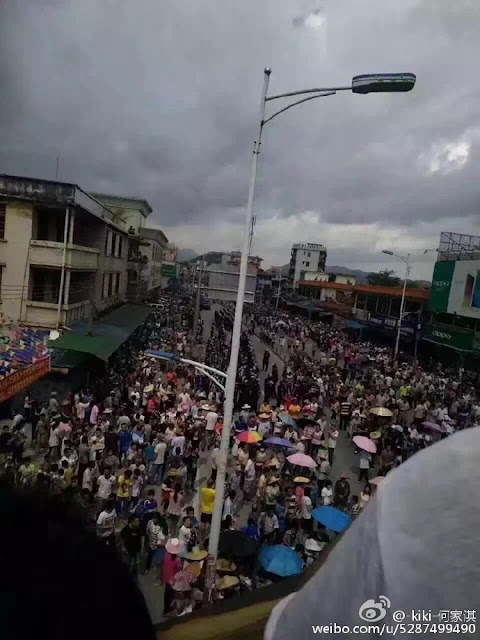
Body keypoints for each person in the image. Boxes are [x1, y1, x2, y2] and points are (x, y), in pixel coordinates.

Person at [199, 478, 215, 543]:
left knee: (203, 525)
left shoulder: (203, 490)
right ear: (212, 484)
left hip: (204, 510)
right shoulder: (213, 492)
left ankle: (201, 537)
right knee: (210, 525)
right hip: (211, 510)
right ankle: (207, 537)